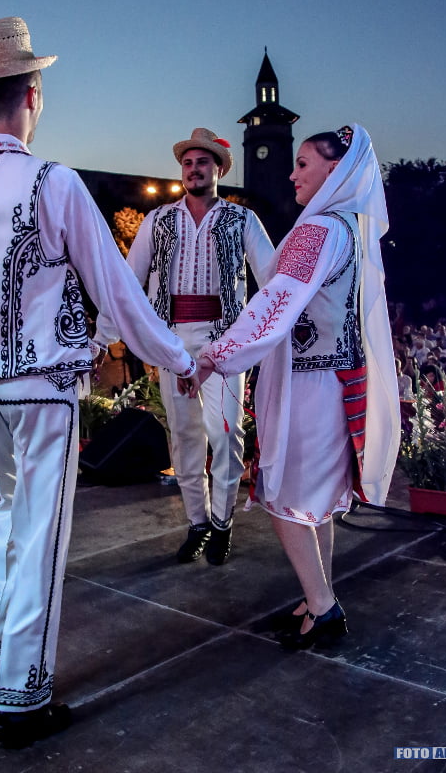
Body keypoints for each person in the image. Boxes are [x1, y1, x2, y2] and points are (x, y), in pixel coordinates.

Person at [0, 17, 198, 750]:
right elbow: (119, 293)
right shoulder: (53, 182)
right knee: (41, 530)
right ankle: (22, 695)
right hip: (38, 383)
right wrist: (178, 358)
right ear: (33, 95)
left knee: (8, 512)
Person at [196, 124, 400, 649]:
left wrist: (217, 355)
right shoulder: (348, 228)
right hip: (335, 379)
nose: (292, 174)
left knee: (282, 493)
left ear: (335, 170)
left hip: (310, 386)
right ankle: (316, 596)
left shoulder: (319, 230)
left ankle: (325, 608)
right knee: (315, 502)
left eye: (303, 163)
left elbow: (275, 300)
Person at [127, 128, 274, 564]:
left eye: (202, 163)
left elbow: (271, 281)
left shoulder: (242, 219)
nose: (193, 170)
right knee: (185, 436)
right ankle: (197, 523)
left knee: (226, 433)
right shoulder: (158, 220)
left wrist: (262, 334)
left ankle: (222, 523)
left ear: (219, 169)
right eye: (188, 163)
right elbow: (129, 281)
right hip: (172, 341)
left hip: (223, 342)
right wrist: (112, 336)